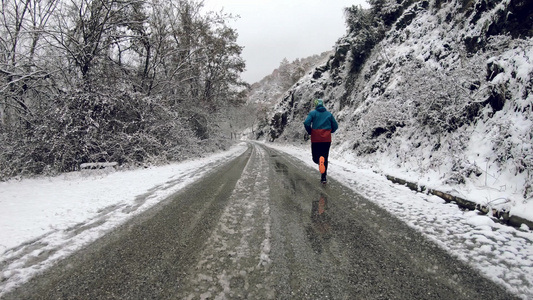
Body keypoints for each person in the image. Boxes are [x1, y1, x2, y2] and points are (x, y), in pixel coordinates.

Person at [303, 99, 338, 183]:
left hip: (316, 139)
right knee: (325, 157)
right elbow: (335, 126)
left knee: (315, 157)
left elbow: (306, 123)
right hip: (326, 139)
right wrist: (330, 131)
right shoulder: (329, 114)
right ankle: (323, 178)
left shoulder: (313, 113)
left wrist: (310, 131)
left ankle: (319, 161)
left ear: (316, 105)